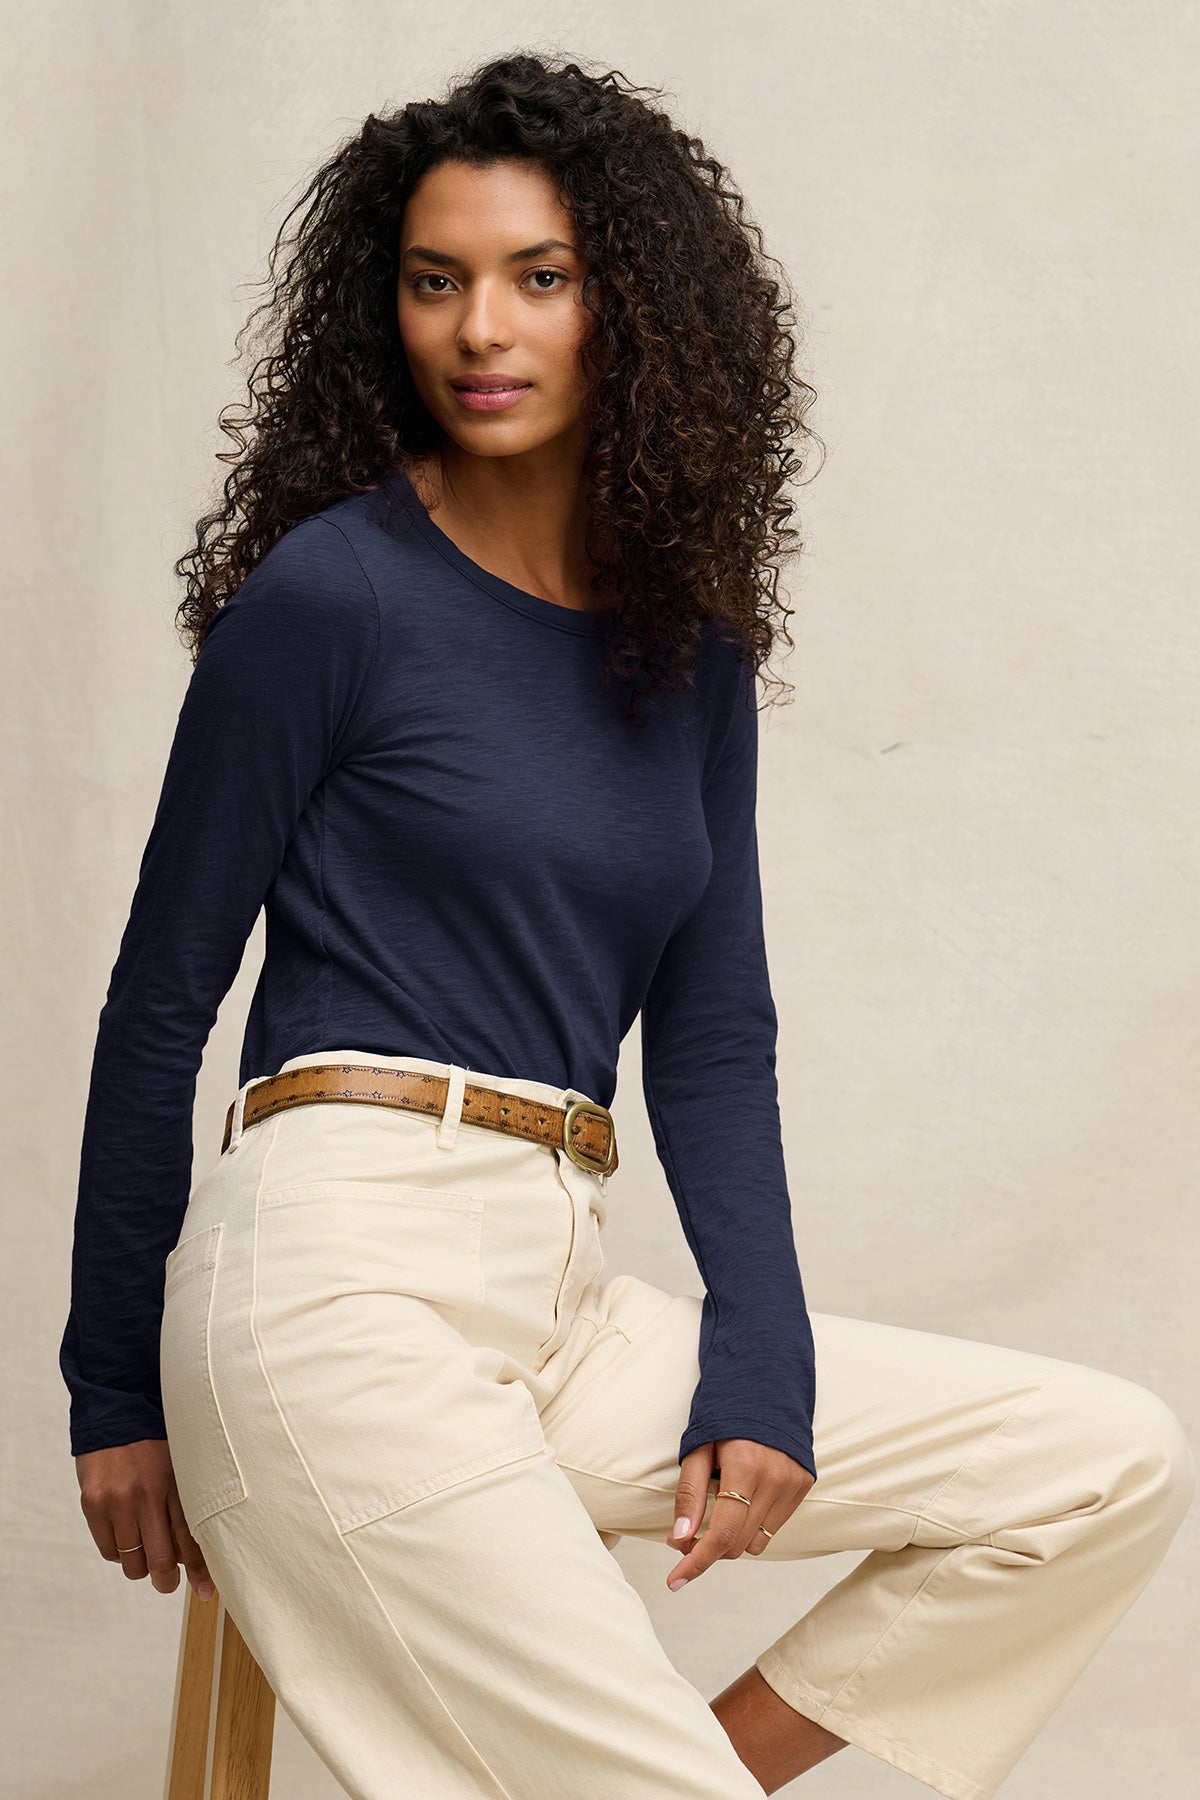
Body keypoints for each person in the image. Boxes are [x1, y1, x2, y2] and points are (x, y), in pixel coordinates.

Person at [61, 51, 1194, 1800]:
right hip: (335, 1272)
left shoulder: (689, 652)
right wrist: (107, 1387)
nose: (480, 328)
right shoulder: (333, 596)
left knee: (1103, 1462)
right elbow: (158, 1005)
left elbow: (717, 1033)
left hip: (562, 1285)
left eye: (540, 276)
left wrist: (766, 1345)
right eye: (435, 280)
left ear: (630, 312)